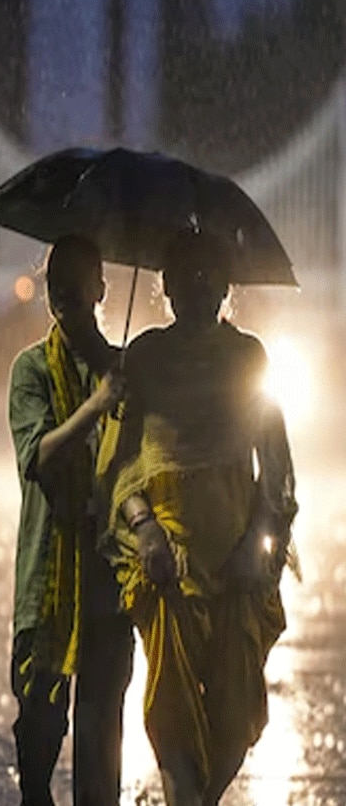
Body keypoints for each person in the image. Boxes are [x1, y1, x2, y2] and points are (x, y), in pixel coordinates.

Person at [97, 229, 296, 806]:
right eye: (186, 276)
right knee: (172, 715)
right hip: (168, 569)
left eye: (209, 275)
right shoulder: (146, 358)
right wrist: (146, 529)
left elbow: (277, 469)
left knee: (235, 720)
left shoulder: (248, 357)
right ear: (166, 287)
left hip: (238, 569)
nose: (198, 286)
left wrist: (260, 539)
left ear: (225, 288)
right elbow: (119, 468)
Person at [6, 234, 134, 806]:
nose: (66, 296)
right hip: (49, 578)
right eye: (58, 285)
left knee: (101, 737)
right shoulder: (31, 369)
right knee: (39, 731)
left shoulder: (125, 373)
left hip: (107, 579)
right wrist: (96, 407)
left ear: (100, 290)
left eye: (79, 284)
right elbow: (37, 458)